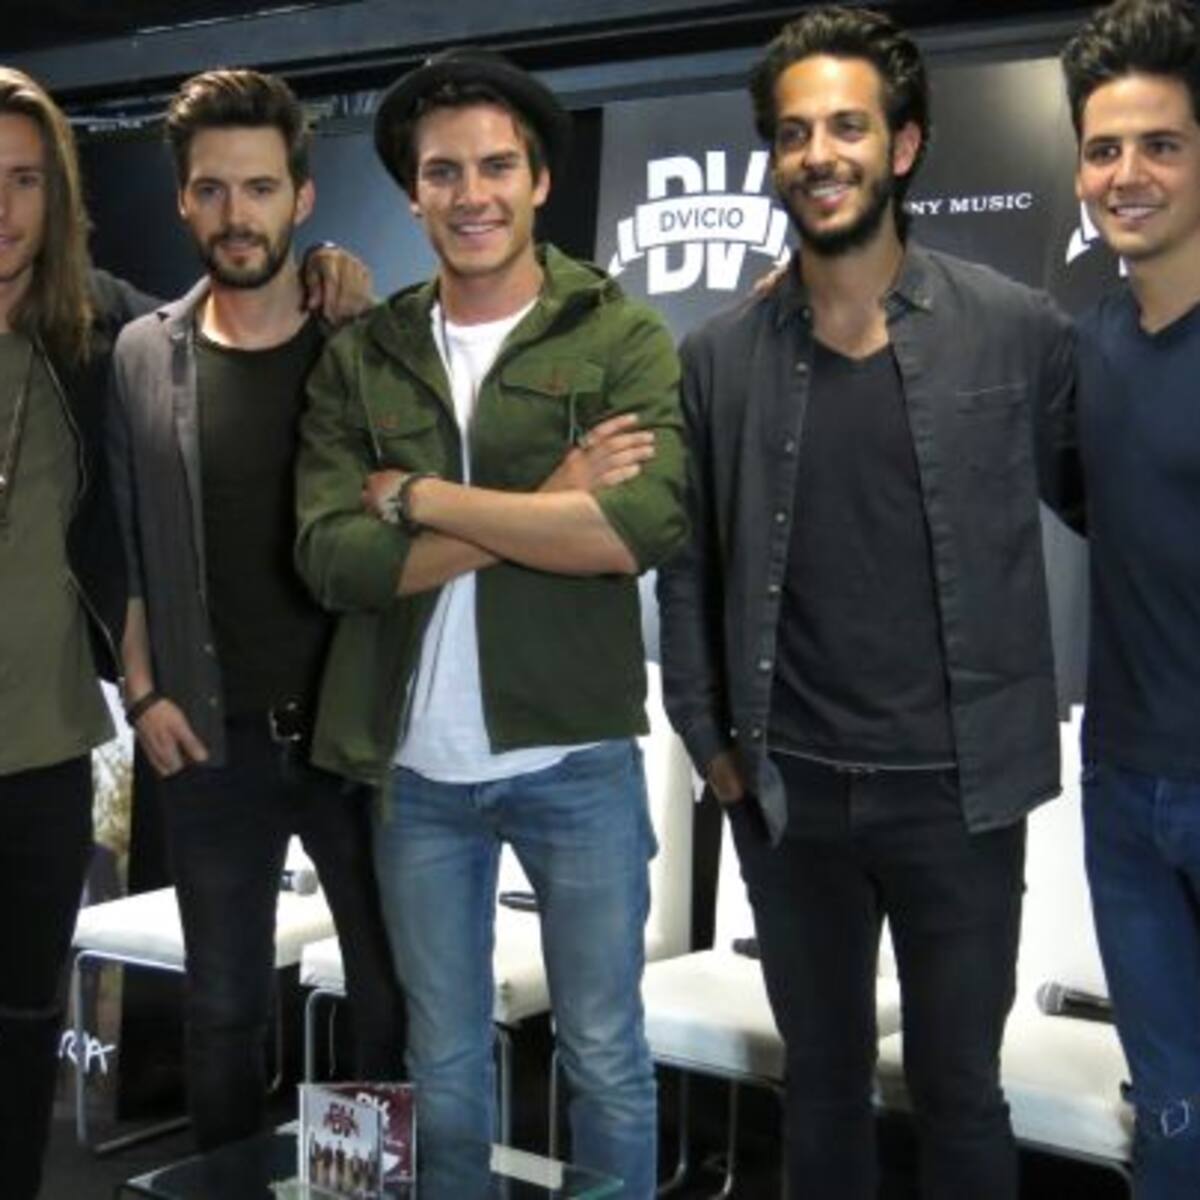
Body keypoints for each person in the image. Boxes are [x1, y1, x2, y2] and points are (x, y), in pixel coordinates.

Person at [657, 8, 1076, 1199]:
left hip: (961, 798)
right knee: (823, 1091)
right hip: (791, 800)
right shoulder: (719, 356)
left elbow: (1125, 499)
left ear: (904, 145)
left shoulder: (1017, 330)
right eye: (794, 133)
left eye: (847, 126)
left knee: (961, 1095)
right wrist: (708, 738)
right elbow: (686, 563)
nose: (818, 154)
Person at [294, 47, 686, 1196]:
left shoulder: (617, 335)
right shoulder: (364, 356)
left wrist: (423, 499)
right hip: (415, 774)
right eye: (444, 172)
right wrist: (549, 499)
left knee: (605, 1056)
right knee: (445, 1063)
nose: (473, 194)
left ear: (539, 180)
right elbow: (335, 560)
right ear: (414, 195)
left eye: (497, 166)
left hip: (577, 762)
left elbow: (636, 529)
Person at [107, 68, 404, 1151]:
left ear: (303, 197)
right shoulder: (145, 355)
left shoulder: (359, 342)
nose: (238, 215)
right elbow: (131, 546)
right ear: (185, 202)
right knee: (223, 1010)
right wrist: (143, 693)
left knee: (385, 1000)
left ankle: (359, 1187)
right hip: (210, 742)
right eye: (213, 190)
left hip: (354, 740)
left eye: (261, 188)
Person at [0, 66, 156, 1200]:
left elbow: (226, 325)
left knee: (20, 1037)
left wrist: (323, 278)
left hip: (41, 752)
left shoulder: (93, 330)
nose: (1, 209)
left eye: (22, 180)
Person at [1061, 2, 1200, 1194]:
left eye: (1161, 145)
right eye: (1105, 150)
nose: (1128, 175)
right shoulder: (1085, 348)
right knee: (1174, 1123)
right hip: (1124, 792)